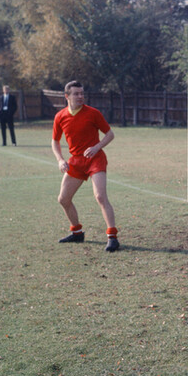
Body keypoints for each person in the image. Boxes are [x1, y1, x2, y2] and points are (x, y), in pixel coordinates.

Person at [51, 80, 120, 252]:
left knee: (100, 196)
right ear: (67, 96)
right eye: (76, 93)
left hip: (96, 159)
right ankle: (77, 233)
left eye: (82, 93)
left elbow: (110, 134)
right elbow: (55, 141)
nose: (80, 96)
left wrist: (97, 147)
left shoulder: (93, 113)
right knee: (63, 199)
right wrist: (60, 160)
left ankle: (112, 237)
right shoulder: (60, 116)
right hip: (76, 161)